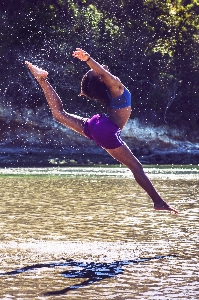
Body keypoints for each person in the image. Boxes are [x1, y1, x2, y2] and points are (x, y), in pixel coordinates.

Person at [25, 48, 178, 214]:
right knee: (136, 167)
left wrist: (90, 63)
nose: (103, 67)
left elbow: (102, 74)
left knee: (60, 115)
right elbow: (104, 73)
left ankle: (42, 80)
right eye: (96, 71)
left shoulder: (113, 91)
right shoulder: (116, 88)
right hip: (105, 129)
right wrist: (88, 59)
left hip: (98, 124)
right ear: (100, 77)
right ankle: (159, 202)